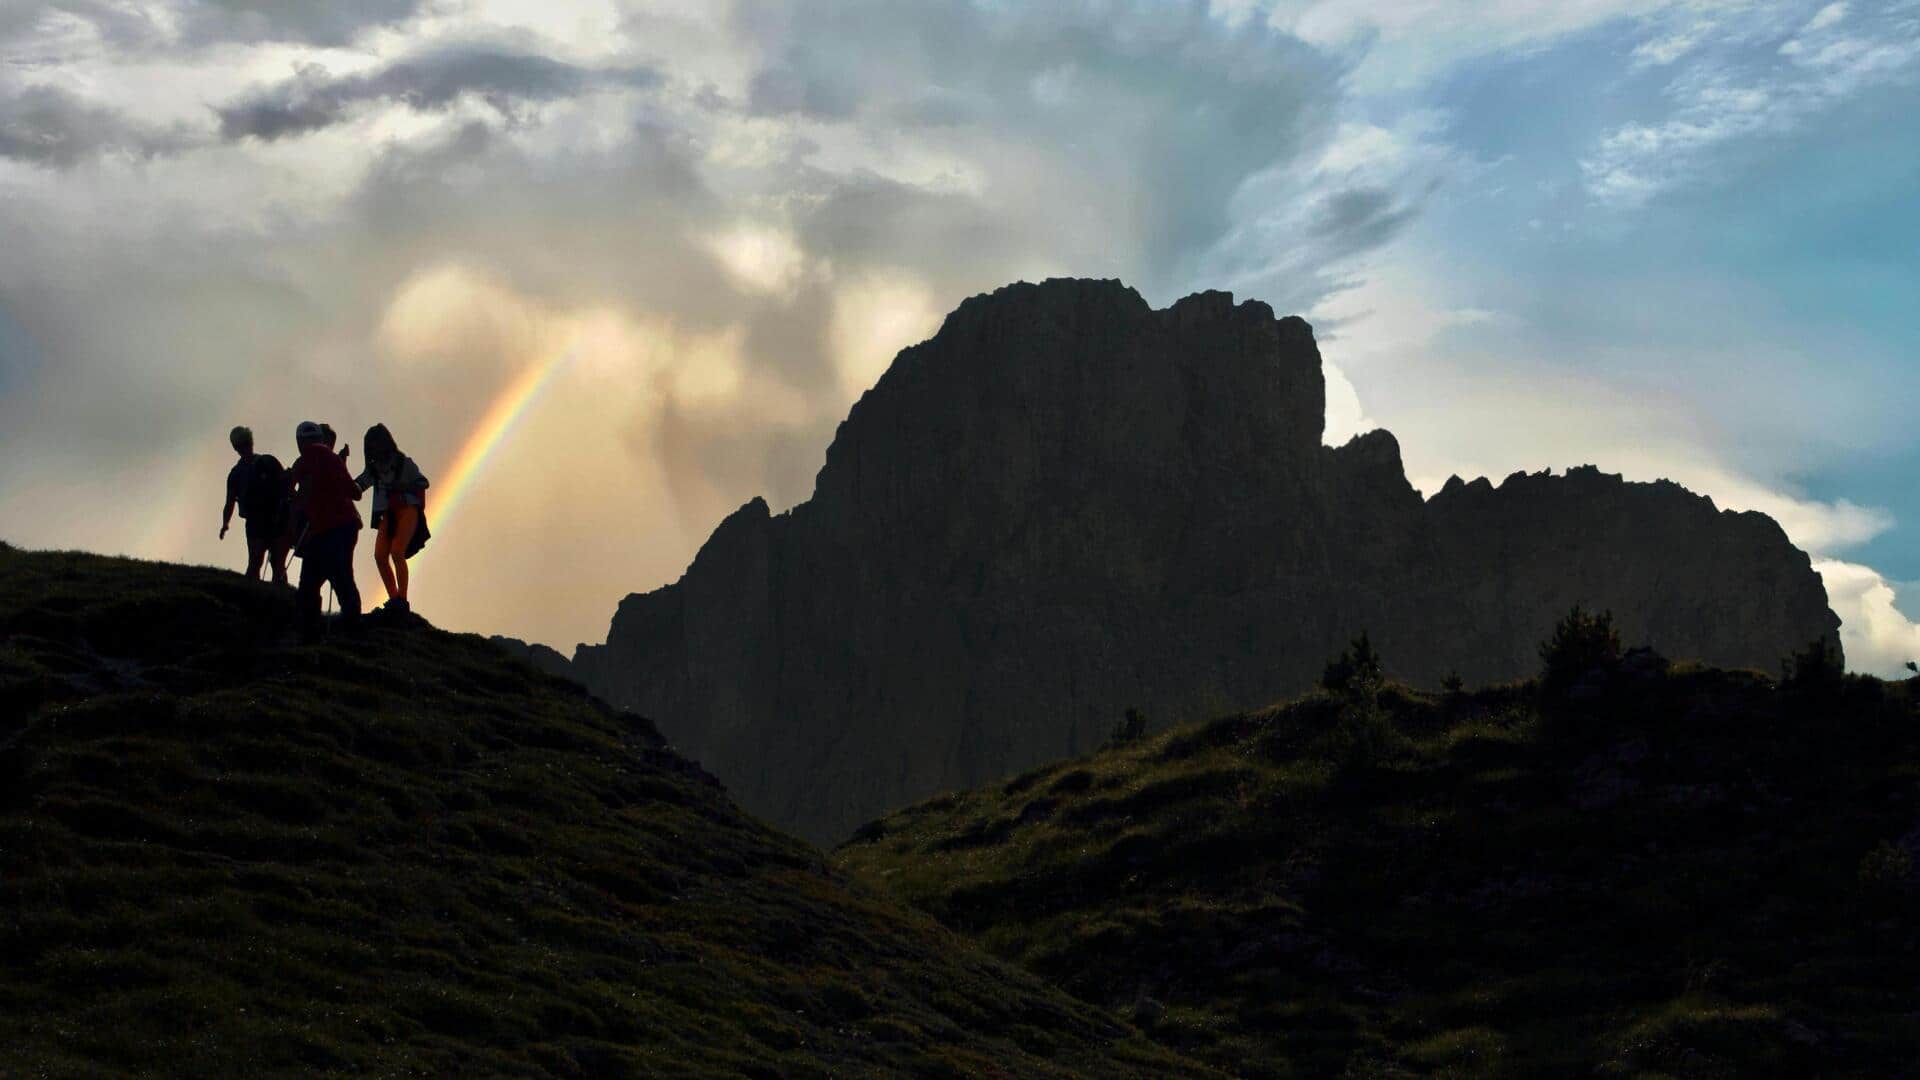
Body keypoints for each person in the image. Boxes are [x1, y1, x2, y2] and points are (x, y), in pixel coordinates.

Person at [286, 420, 363, 641]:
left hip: (326, 529)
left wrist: (293, 526)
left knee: (311, 582)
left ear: (300, 441)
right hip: (346, 525)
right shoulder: (333, 459)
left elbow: (296, 494)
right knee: (342, 577)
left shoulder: (304, 460)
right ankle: (351, 627)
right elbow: (355, 493)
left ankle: (310, 631)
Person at [355, 423, 431, 612]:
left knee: (397, 552)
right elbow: (361, 484)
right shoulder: (373, 469)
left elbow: (423, 482)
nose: (372, 449)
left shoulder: (403, 462)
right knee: (380, 555)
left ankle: (402, 600)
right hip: (388, 514)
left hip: (407, 509)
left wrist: (402, 487)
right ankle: (394, 597)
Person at [219, 426, 289, 585]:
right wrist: (225, 523)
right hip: (270, 520)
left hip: (264, 521)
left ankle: (258, 595)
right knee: (272, 563)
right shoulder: (266, 462)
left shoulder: (238, 473)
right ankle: (275, 596)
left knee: (262, 562)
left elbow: (229, 502)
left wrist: (225, 523)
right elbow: (286, 487)